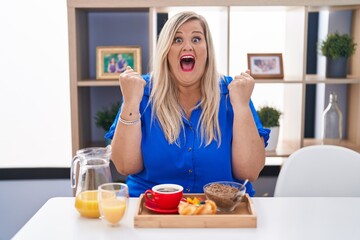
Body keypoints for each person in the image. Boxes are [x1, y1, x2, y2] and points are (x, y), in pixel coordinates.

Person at [105, 11, 270, 197]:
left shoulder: (233, 92)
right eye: (177, 40)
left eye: (197, 39)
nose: (187, 47)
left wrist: (241, 106)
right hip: (151, 207)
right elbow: (125, 166)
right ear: (166, 50)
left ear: (207, 50)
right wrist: (130, 101)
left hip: (223, 208)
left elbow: (250, 172)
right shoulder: (141, 91)